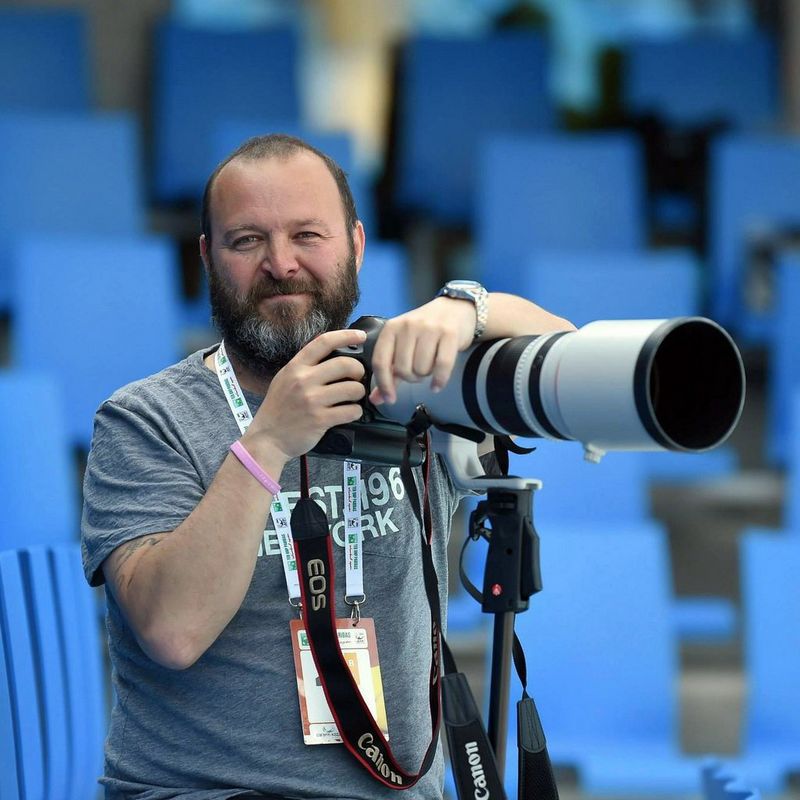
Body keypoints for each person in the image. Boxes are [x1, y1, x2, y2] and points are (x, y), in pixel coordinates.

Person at [81, 134, 575, 800]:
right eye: (247, 240)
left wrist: (467, 309)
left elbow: (573, 370)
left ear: (356, 244)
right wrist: (266, 445)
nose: (281, 264)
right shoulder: (146, 418)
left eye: (307, 235)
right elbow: (173, 630)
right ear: (206, 259)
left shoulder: (411, 389)